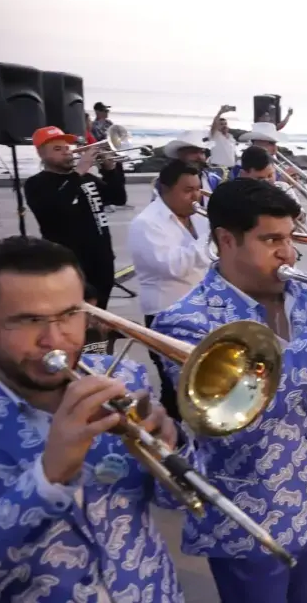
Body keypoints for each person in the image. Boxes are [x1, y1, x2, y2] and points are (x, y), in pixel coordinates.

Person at [152, 179, 307, 603]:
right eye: (271, 240)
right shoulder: (184, 323)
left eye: (289, 237)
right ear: (226, 240)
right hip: (249, 509)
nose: (289, 253)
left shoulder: (305, 295)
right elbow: (240, 422)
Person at [0, 235, 193, 602]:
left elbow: (181, 504)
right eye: (29, 320)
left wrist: (172, 448)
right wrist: (48, 477)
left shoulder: (122, 376)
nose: (55, 339)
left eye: (70, 314)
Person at [127, 159, 210, 419]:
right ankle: (167, 434)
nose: (195, 197)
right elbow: (173, 266)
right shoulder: (146, 223)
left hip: (200, 310)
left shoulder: (199, 217)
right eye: (188, 190)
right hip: (165, 314)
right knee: (175, 387)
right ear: (165, 189)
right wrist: (212, 238)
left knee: (201, 385)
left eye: (198, 189)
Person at [24, 126, 126, 309]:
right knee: (74, 313)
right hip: (68, 262)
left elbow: (118, 197)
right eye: (57, 149)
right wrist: (78, 172)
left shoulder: (87, 178)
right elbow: (55, 208)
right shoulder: (36, 184)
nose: (67, 152)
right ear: (41, 154)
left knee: (100, 314)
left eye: (67, 148)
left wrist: (111, 169)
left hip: (102, 258)